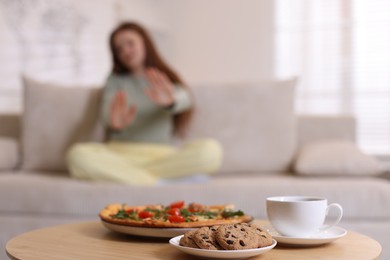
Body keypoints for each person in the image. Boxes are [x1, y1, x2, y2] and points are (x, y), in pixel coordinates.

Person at [66, 22, 222, 186]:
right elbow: (106, 116)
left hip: (161, 156)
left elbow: (185, 99)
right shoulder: (114, 81)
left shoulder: (162, 79)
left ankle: (133, 178)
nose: (125, 51)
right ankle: (159, 181)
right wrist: (115, 124)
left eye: (130, 43)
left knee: (211, 151)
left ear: (145, 43)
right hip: (120, 155)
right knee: (77, 155)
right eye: (119, 49)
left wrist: (171, 102)